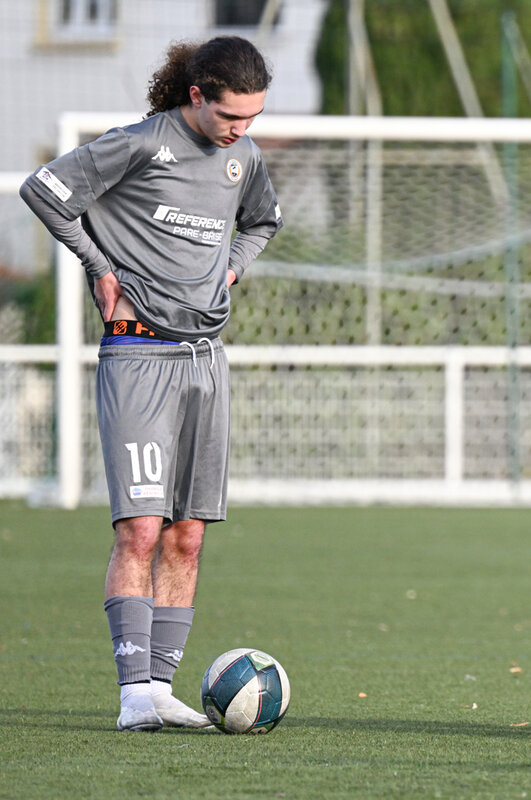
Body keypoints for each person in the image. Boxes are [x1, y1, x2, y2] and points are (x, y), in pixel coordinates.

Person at [20, 36, 283, 731]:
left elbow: (264, 221)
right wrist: (99, 266)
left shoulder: (245, 159)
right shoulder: (140, 144)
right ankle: (132, 690)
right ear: (197, 95)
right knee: (140, 528)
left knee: (187, 535)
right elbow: (44, 191)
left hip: (206, 361)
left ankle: (162, 687)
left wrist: (231, 266)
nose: (242, 130)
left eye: (253, 117)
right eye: (231, 115)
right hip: (139, 357)